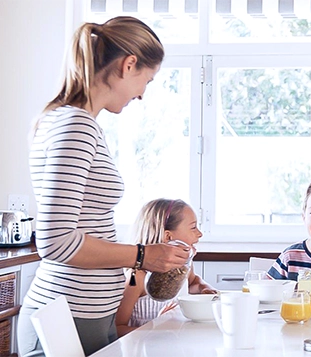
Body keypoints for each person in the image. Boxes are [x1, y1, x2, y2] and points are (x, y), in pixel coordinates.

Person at [18, 17, 192, 357]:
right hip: (69, 316)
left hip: (86, 314)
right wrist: (143, 255)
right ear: (129, 65)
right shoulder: (76, 126)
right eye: (147, 79)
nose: (142, 93)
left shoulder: (70, 121)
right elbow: (55, 242)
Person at [115, 199, 217, 336]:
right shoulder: (136, 277)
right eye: (193, 227)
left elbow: (192, 283)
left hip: (173, 342)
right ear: (168, 236)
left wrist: (204, 288)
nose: (200, 234)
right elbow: (117, 329)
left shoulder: (183, 267)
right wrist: (155, 328)